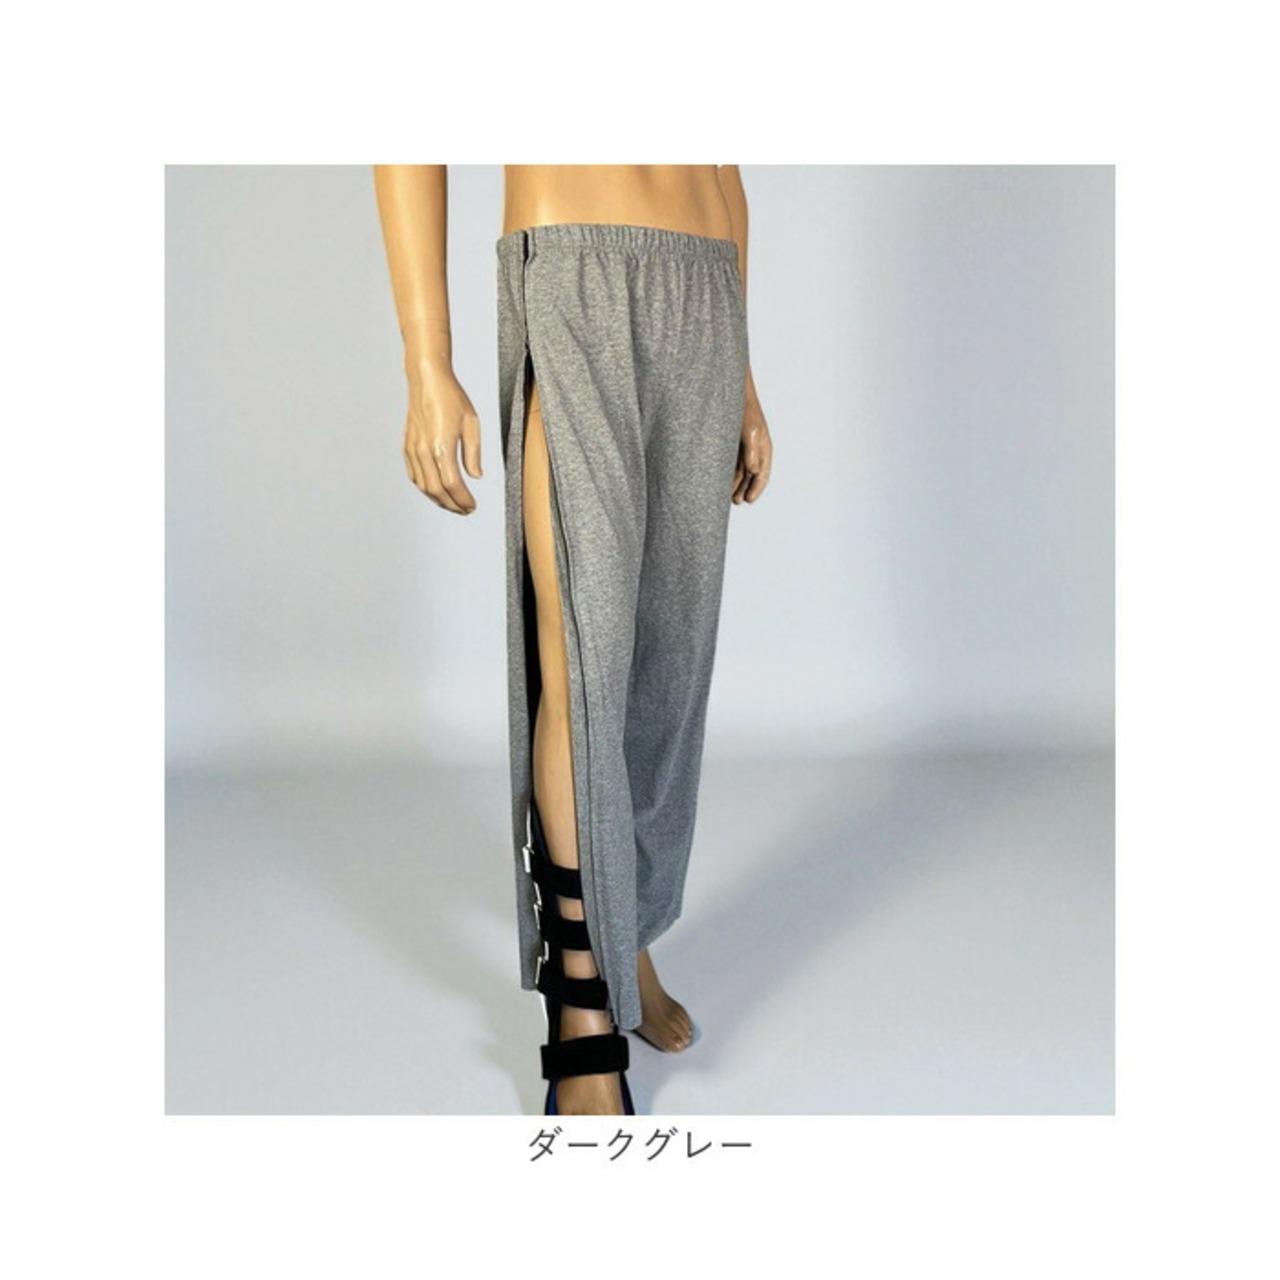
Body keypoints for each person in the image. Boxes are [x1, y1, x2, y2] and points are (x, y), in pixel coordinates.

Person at [372, 165, 772, 1115]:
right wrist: (427, 362)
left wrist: (745, 374)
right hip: (575, 266)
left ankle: (626, 938)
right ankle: (581, 1008)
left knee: (667, 667)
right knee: (583, 661)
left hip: (707, 283)